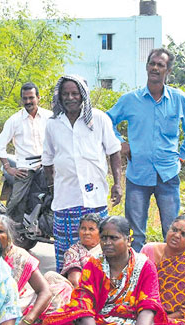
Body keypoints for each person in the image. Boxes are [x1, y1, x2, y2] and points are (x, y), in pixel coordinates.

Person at [41, 216, 185, 325]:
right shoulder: (94, 264)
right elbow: (83, 308)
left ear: (128, 240)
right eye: (104, 238)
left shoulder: (145, 266)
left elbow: (148, 307)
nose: (107, 243)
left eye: (114, 238)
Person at [107, 48, 185, 251]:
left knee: (172, 232)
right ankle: (136, 276)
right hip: (137, 174)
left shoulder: (179, 99)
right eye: (152, 63)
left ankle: (169, 276)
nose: (155, 68)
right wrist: (120, 142)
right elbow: (107, 120)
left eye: (161, 65)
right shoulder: (131, 100)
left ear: (168, 71)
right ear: (147, 66)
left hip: (168, 175)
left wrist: (182, 156)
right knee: (134, 233)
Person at [42, 75, 122, 271]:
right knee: (65, 256)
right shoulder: (53, 124)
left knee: (97, 255)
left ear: (83, 95)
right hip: (65, 200)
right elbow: (47, 160)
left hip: (94, 199)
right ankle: (68, 295)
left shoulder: (99, 119)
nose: (70, 98)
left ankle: (98, 295)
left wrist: (118, 184)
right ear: (59, 97)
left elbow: (114, 151)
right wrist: (52, 188)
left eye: (75, 93)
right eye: (65, 94)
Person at [140, 215, 185, 325]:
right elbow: (133, 284)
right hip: (141, 311)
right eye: (174, 230)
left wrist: (163, 319)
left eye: (184, 234)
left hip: (168, 319)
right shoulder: (149, 249)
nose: (176, 235)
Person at [0, 82, 51, 221]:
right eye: (25, 98)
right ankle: (4, 223)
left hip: (48, 163)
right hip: (26, 166)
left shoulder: (50, 117)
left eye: (31, 97)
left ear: (38, 97)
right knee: (16, 199)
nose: (28, 101)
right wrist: (9, 168)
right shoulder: (15, 120)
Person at [0, 215, 51, 325]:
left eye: (0, 231)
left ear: (9, 236)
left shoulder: (20, 256)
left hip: (13, 307)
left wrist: (28, 320)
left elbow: (45, 291)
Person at [58, 212, 103, 287]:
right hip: (83, 290)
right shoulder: (74, 251)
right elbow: (75, 279)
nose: (86, 232)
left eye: (91, 229)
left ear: (100, 232)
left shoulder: (107, 249)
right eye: (83, 228)